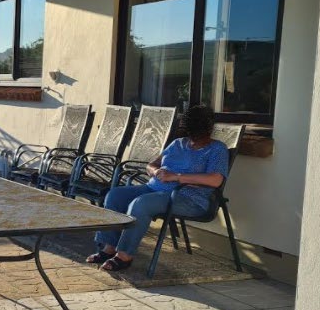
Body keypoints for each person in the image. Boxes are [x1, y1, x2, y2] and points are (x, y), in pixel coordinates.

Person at [87, 104, 228, 272]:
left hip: (189, 198)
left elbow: (216, 179)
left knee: (141, 204)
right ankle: (109, 248)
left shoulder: (217, 149)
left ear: (210, 127)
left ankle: (124, 255)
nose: (196, 136)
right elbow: (152, 164)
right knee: (115, 195)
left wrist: (177, 177)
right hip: (154, 188)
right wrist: (156, 171)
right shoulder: (178, 143)